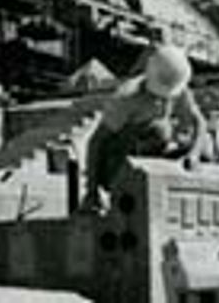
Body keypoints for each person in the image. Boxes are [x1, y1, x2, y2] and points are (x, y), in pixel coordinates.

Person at [81, 43, 208, 211]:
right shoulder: (126, 98)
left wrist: (194, 154)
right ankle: (124, 189)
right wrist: (92, 191)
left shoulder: (175, 84)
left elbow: (199, 122)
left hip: (151, 153)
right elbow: (96, 142)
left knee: (205, 148)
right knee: (159, 130)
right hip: (118, 163)